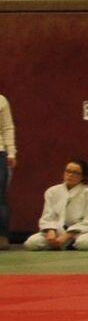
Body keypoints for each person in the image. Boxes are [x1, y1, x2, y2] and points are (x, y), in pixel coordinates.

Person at [26, 158, 88, 250]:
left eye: (75, 173)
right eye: (68, 171)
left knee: (84, 243)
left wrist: (68, 235)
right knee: (32, 243)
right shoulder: (52, 191)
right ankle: (62, 245)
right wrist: (50, 231)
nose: (70, 175)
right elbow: (48, 216)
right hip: (58, 231)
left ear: (83, 176)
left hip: (82, 232)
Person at [0, 81, 15, 246]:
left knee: (0, 198)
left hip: (0, 153)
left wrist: (11, 152)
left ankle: (2, 236)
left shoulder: (1, 100)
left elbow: (7, 128)